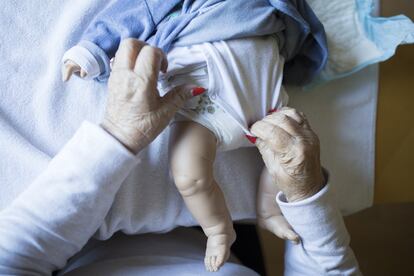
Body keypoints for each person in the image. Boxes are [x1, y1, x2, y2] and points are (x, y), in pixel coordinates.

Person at [0, 39, 361, 275]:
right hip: (216, 234)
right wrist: (305, 191)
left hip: (72, 241)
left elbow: (11, 258)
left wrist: (120, 134)